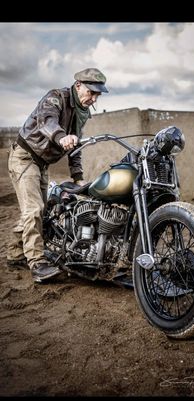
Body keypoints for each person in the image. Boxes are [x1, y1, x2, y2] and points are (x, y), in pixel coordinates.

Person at [7, 68, 108, 283]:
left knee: (40, 212)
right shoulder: (56, 97)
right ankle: (37, 264)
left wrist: (78, 177)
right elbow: (47, 122)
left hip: (42, 164)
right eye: (91, 92)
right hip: (24, 157)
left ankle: (15, 253)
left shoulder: (81, 114)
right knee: (34, 210)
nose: (94, 98)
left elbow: (76, 147)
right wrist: (61, 137)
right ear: (78, 85)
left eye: (97, 95)